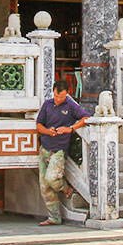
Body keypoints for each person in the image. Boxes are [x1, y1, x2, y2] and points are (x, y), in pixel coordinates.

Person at [33, 80, 89, 226]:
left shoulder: (71, 105)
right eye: (57, 96)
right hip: (45, 147)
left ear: (67, 94)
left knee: (52, 178)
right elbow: (39, 125)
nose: (59, 99)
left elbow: (85, 118)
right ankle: (54, 217)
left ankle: (65, 188)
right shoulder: (47, 104)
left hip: (59, 149)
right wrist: (47, 131)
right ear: (54, 92)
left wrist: (70, 128)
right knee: (44, 186)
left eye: (62, 97)